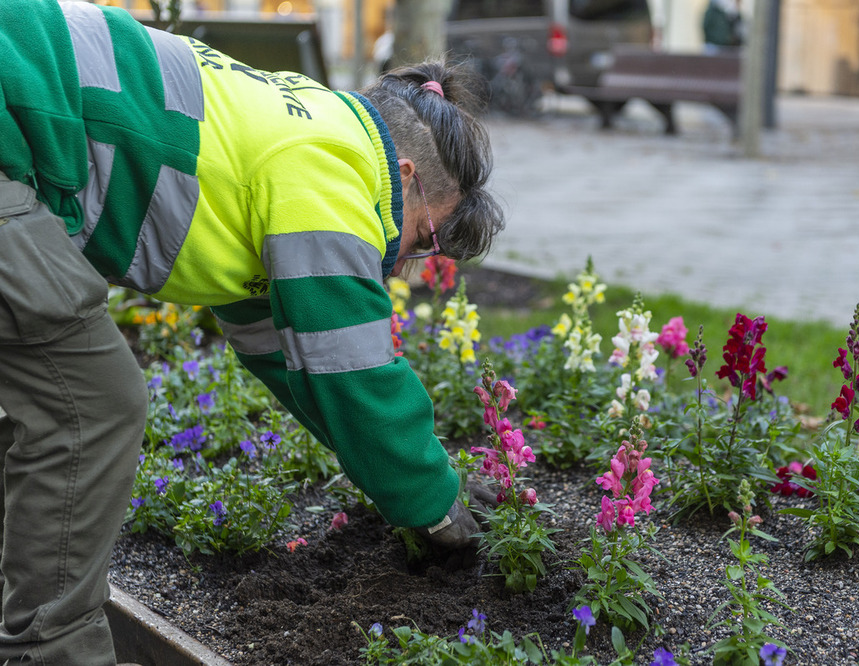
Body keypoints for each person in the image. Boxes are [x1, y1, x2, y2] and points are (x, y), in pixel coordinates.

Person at [0, 1, 504, 663]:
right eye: (426, 238)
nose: (407, 262)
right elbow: (356, 374)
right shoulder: (337, 171)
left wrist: (413, 484)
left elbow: (300, 368)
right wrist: (438, 507)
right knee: (89, 407)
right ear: (405, 177)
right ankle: (54, 652)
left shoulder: (309, 125)